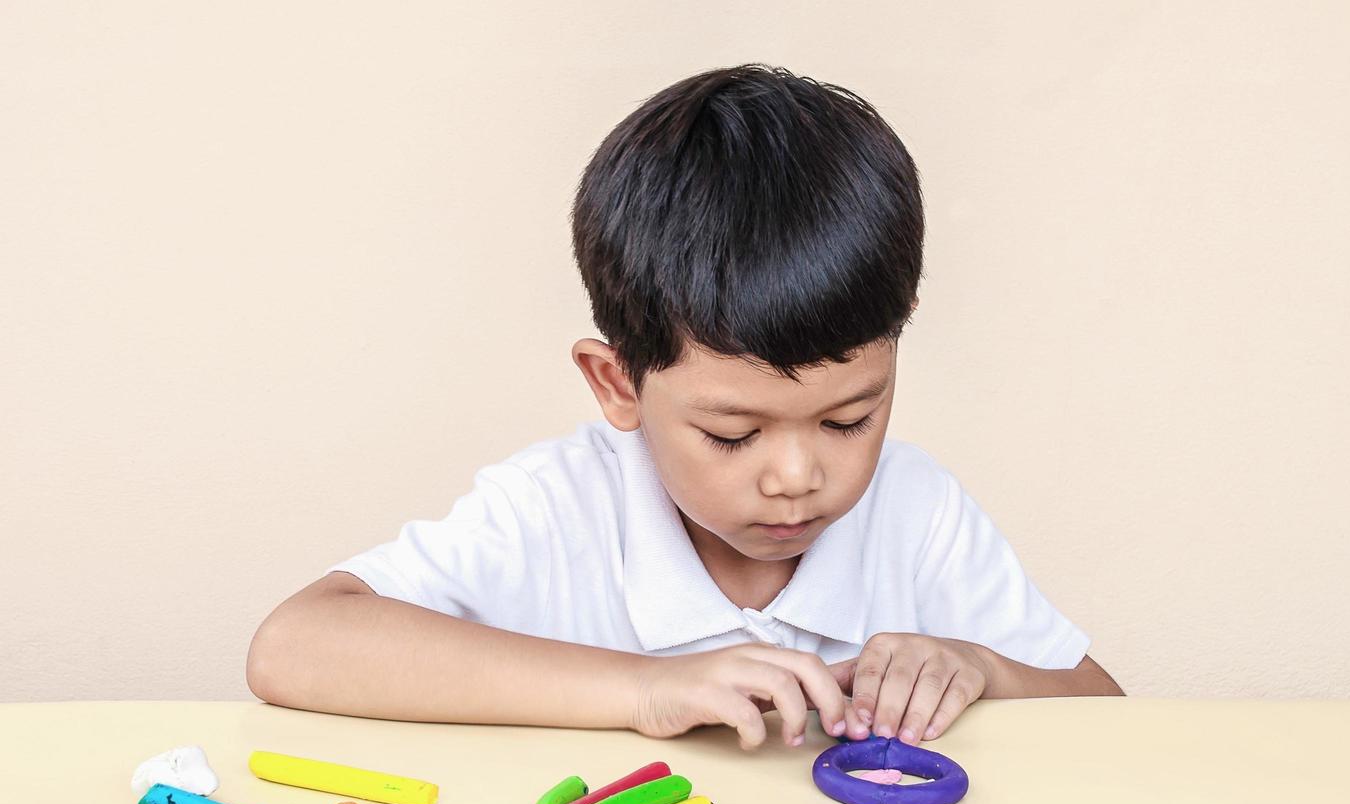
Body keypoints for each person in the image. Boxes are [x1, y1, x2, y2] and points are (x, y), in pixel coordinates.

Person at [246, 64, 1123, 751]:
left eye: (849, 419)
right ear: (618, 384)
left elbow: (1116, 717)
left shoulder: (917, 512)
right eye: (732, 434)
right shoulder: (555, 509)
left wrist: (981, 671)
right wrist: (644, 689)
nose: (797, 477)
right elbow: (295, 645)